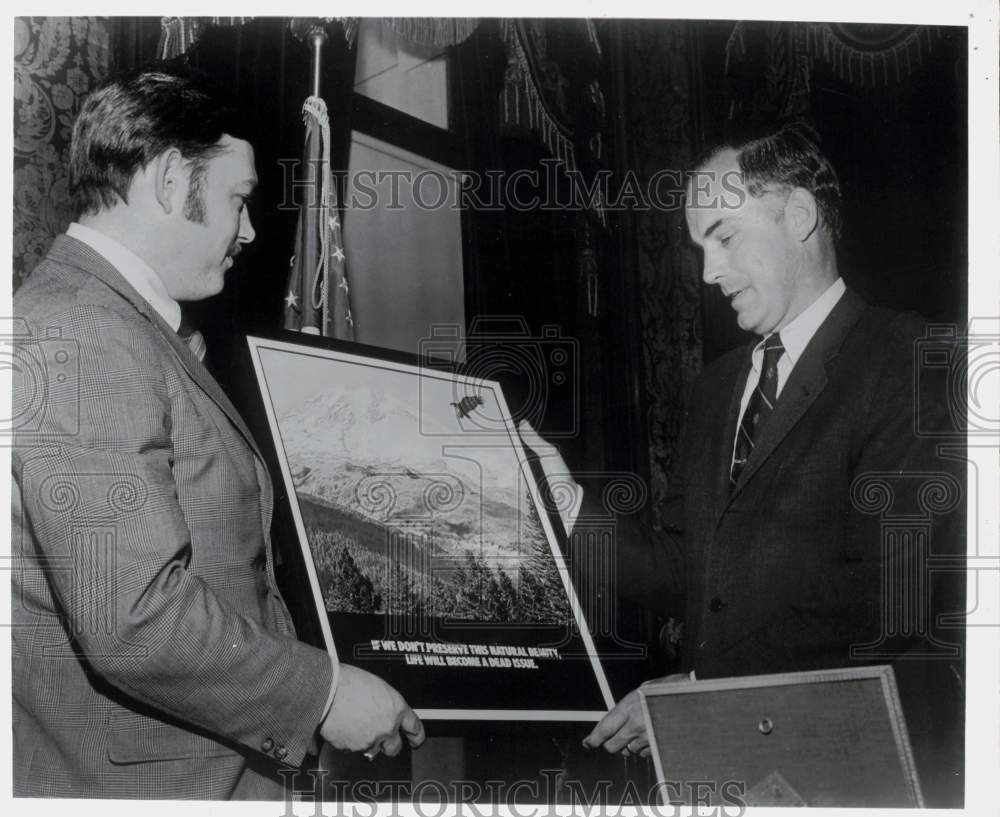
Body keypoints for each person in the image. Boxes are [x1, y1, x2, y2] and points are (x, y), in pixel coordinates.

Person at [11, 68, 424, 799]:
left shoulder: (118, 324)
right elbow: (132, 616)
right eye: (239, 199)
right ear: (172, 180)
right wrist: (322, 695)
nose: (250, 230)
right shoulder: (84, 328)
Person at [576, 124, 965, 806]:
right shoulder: (717, 385)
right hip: (731, 769)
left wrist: (702, 687)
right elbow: (688, 572)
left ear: (801, 215)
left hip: (867, 763)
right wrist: (568, 511)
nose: (708, 272)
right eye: (698, 248)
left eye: (723, 238)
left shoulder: (912, 356)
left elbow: (892, 590)